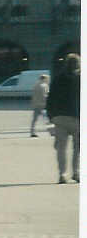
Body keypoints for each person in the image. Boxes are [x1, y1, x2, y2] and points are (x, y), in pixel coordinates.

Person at [46, 54, 80, 184]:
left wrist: (51, 116)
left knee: (61, 148)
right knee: (78, 148)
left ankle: (62, 174)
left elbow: (50, 98)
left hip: (60, 118)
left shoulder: (58, 78)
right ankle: (76, 173)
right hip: (78, 118)